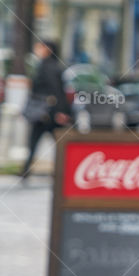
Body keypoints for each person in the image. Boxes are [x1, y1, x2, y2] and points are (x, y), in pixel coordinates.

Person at [20, 39, 70, 179]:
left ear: (48, 49)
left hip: (47, 112)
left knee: (39, 141)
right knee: (52, 141)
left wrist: (61, 112)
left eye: (39, 47)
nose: (37, 49)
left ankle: (27, 169)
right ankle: (28, 169)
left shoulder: (47, 67)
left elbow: (56, 91)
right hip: (47, 112)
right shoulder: (49, 65)